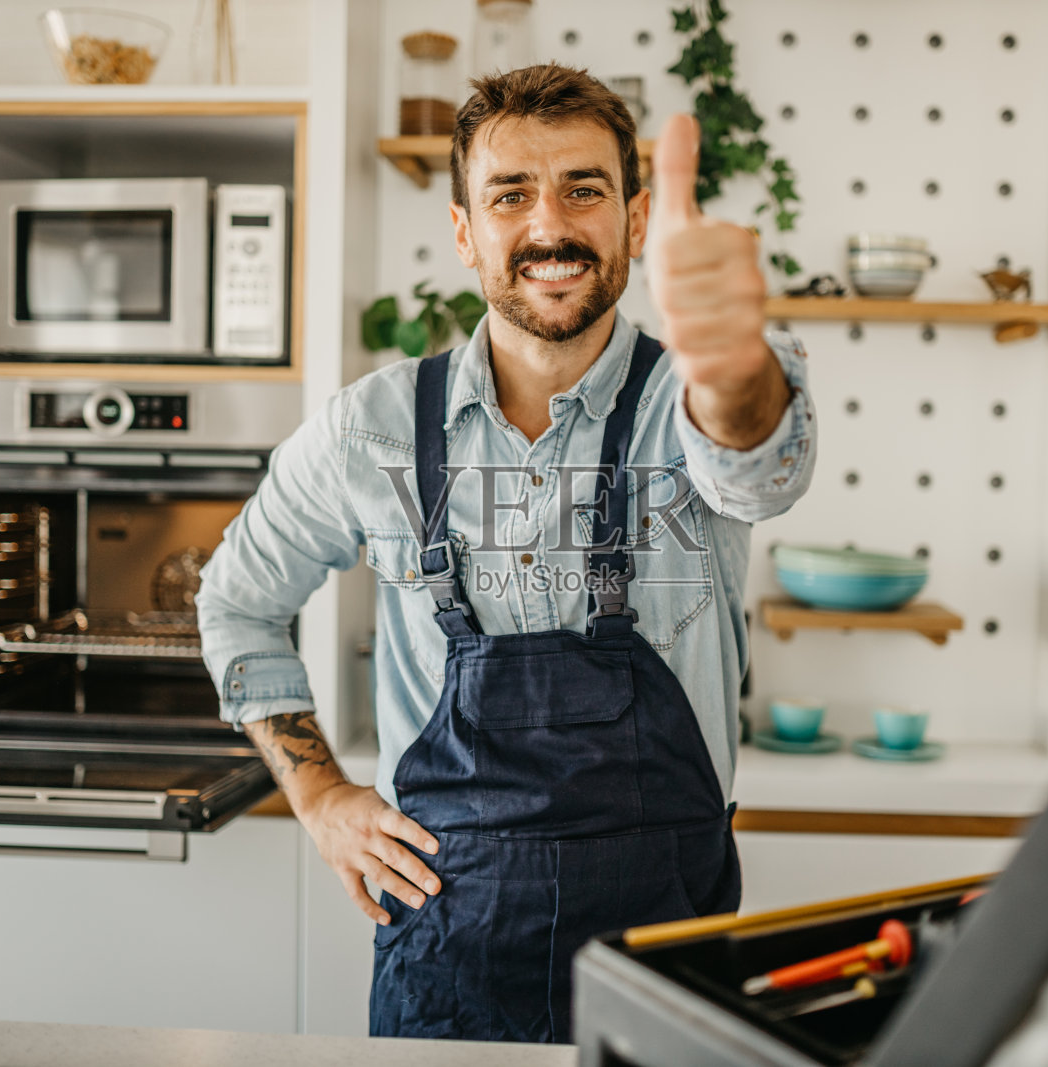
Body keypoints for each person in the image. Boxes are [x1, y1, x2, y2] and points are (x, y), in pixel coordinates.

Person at [195, 63, 816, 1043]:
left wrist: (736, 367)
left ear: (637, 216)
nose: (548, 225)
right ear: (462, 230)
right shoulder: (373, 428)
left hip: (667, 961)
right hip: (449, 959)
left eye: (584, 188)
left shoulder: (691, 397)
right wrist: (317, 793)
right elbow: (235, 601)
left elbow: (756, 466)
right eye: (509, 195)